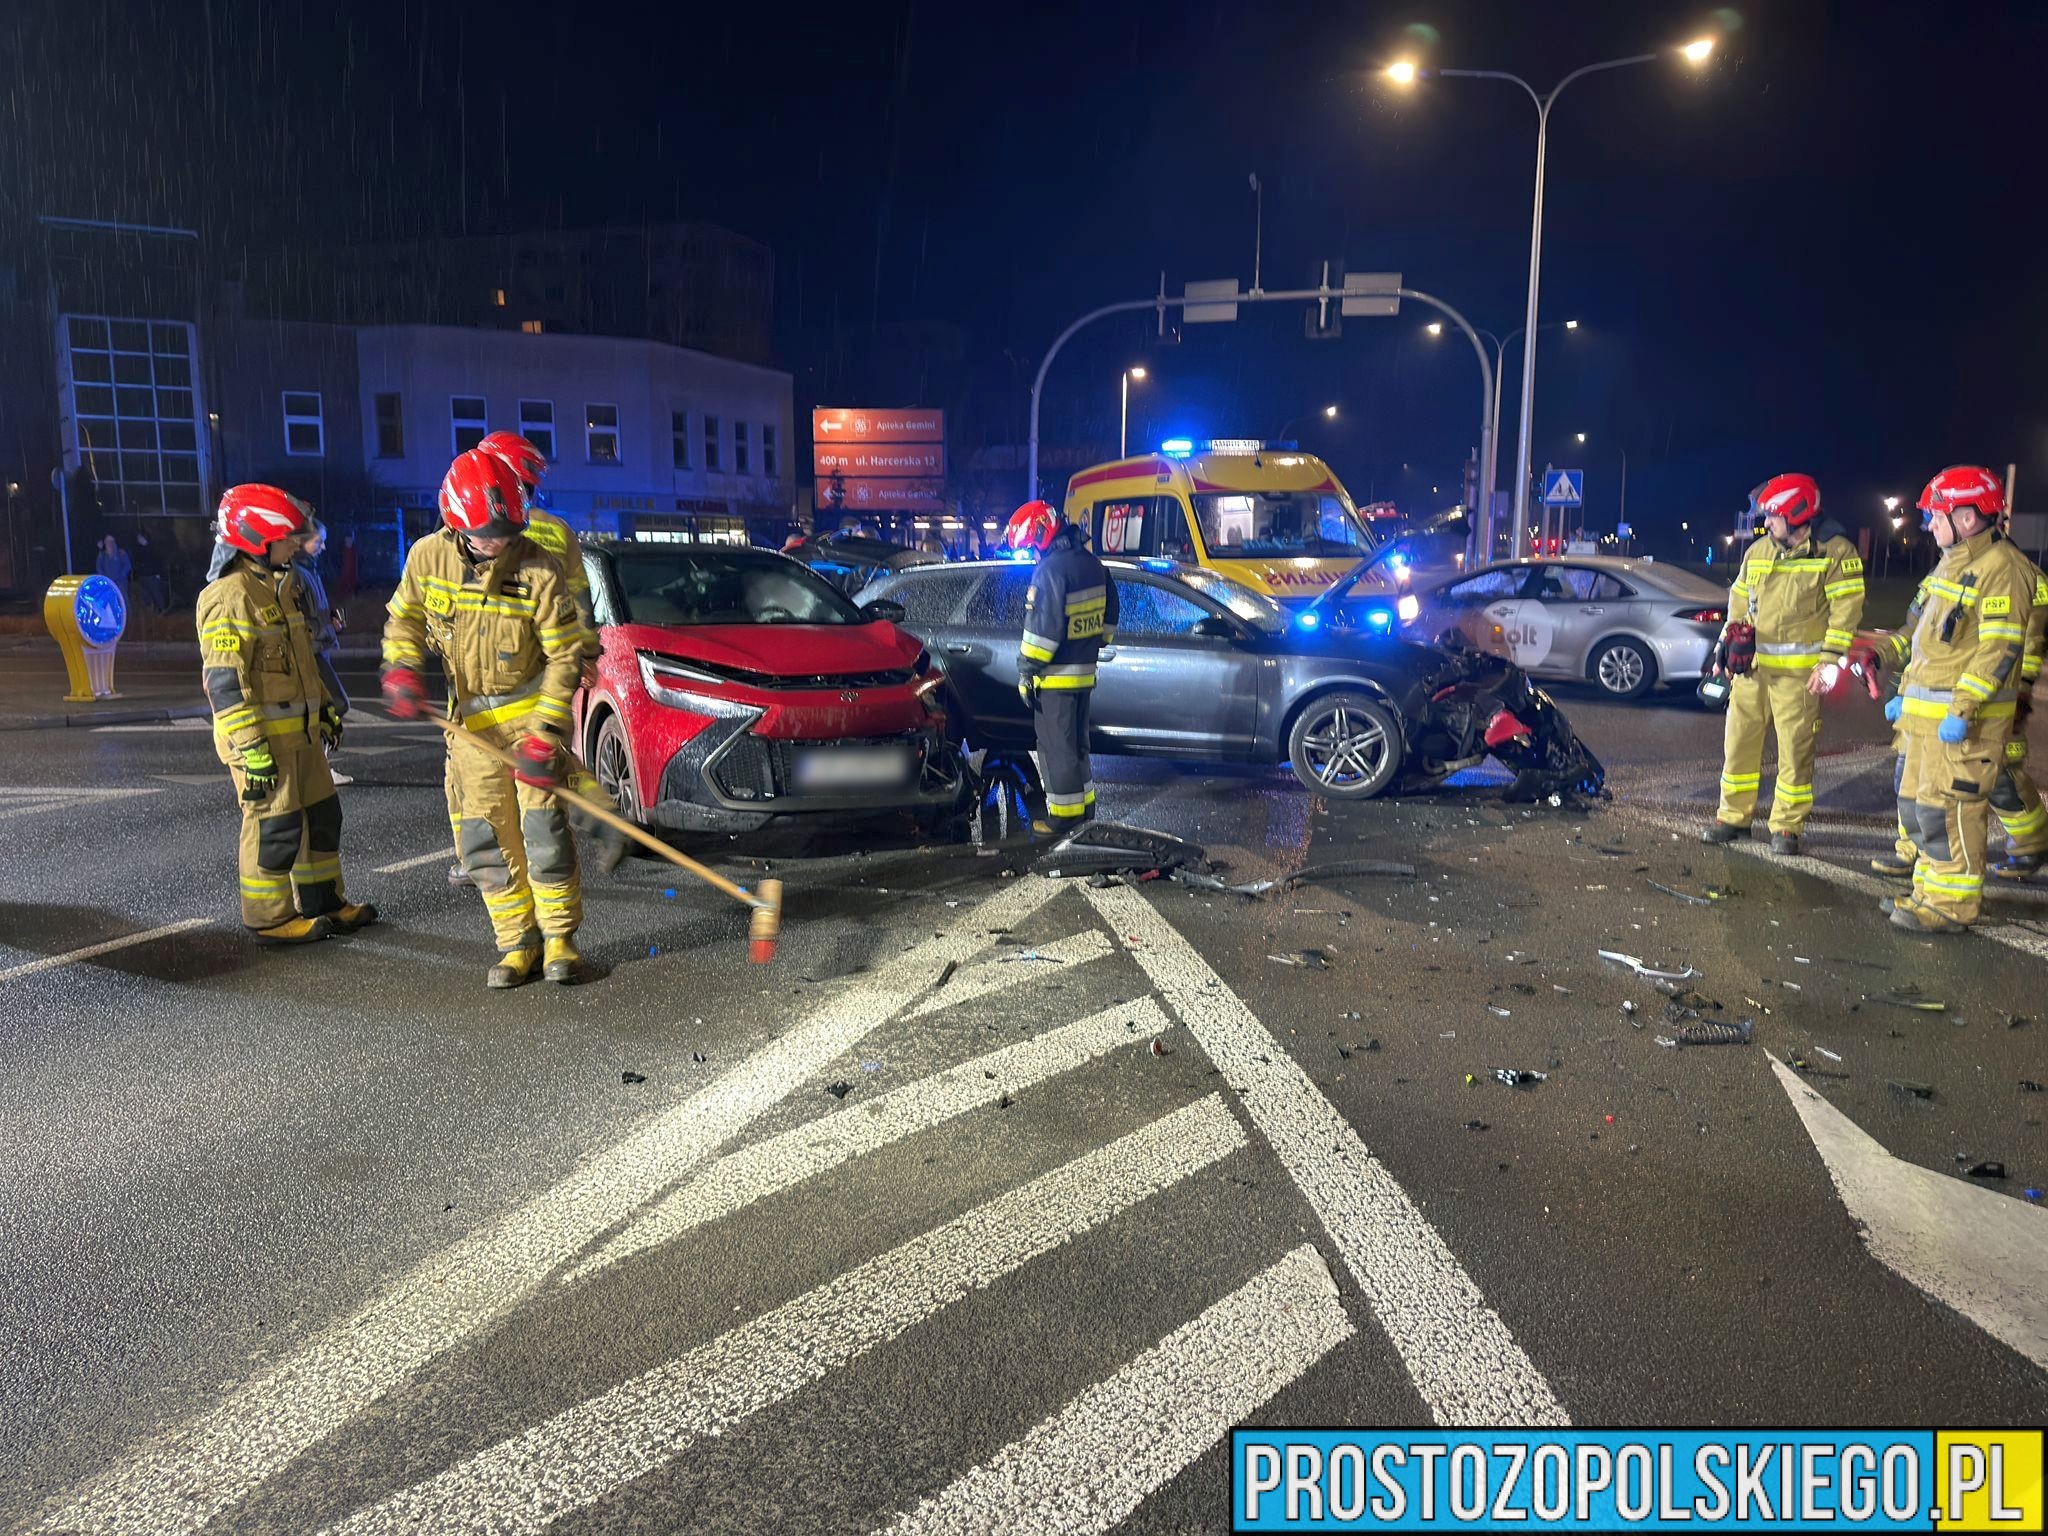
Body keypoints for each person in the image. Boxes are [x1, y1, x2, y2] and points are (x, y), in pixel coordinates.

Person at [381, 448, 589, 987]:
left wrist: (546, 735)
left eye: (507, 531)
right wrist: (401, 669)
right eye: (487, 534)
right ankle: (518, 941)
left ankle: (561, 938)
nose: (499, 543)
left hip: (530, 718)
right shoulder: (426, 559)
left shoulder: (539, 570)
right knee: (487, 839)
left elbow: (566, 656)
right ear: (456, 523)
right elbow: (403, 621)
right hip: (470, 729)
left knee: (544, 830)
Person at [196, 485, 375, 945]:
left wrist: (326, 711)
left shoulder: (284, 585)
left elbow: (303, 659)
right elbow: (225, 684)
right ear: (258, 539)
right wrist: (252, 750)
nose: (297, 544)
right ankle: (271, 919)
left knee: (321, 815)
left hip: (301, 735)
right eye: (288, 538)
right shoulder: (229, 597)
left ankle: (324, 902)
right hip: (262, 743)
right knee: (274, 826)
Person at [1866, 466, 2034, 934]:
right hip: (1925, 722)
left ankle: (1951, 906)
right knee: (1920, 810)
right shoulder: (1951, 563)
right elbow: (1928, 642)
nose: (1928, 525)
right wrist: (1903, 694)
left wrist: (1963, 709)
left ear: (1966, 517)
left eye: (1935, 515)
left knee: (1950, 813)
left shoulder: (2004, 569)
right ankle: (1927, 892)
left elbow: (1998, 651)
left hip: (1966, 725)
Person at [438, 431, 605, 888]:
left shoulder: (470, 530)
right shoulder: (559, 530)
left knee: (469, 770)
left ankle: (478, 858)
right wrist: (583, 653)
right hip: (545, 666)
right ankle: (586, 824)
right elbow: (578, 600)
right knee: (545, 758)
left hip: (489, 668)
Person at [1701, 474, 1864, 855]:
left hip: (1801, 677)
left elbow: (1846, 613)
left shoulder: (1836, 553)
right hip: (1751, 671)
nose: (1766, 523)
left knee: (1795, 753)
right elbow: (1738, 604)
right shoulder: (1758, 552)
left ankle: (1787, 828)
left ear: (1797, 512)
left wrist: (1829, 663)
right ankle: (1733, 818)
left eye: (1773, 516)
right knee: (1738, 745)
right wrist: (1725, 646)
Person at [1006, 499, 1117, 834]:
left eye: (1030, 546)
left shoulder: (1051, 571)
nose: (1033, 555)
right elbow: (1108, 622)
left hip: (1055, 679)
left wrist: (1026, 671)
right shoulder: (1092, 564)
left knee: (1057, 750)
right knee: (1078, 748)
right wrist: (1092, 645)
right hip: (1085, 674)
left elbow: (1041, 633)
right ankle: (1085, 813)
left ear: (1041, 532)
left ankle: (1063, 820)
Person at [1990, 549, 2048, 879]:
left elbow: (2030, 640)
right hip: (1978, 687)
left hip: (2004, 690)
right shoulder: (1980, 562)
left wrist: (2021, 690)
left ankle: (2032, 844)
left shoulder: (2020, 572)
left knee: (2003, 771)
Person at [295, 519, 353, 786]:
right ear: (301, 542)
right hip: (311, 652)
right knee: (335, 704)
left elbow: (312, 613)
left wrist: (330, 621)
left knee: (325, 708)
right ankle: (318, 769)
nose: (323, 546)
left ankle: (316, 768)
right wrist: (323, 627)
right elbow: (298, 618)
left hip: (318, 648)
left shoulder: (309, 570)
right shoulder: (297, 573)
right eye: (318, 541)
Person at [131, 531, 169, 613]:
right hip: (143, 576)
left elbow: (158, 562)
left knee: (156, 593)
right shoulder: (138, 550)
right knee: (146, 595)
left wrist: (159, 573)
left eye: (140, 538)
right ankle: (152, 609)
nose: (138, 540)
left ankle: (162, 609)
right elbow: (136, 563)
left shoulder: (153, 549)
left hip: (152, 575)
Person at [95, 534, 132, 608]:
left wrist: (120, 576)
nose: (109, 543)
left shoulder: (121, 553)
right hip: (109, 582)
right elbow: (99, 567)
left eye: (111, 541)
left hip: (121, 582)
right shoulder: (102, 555)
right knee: (111, 601)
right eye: (107, 541)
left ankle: (128, 618)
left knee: (123, 600)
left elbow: (127, 566)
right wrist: (105, 578)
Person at [337, 528, 360, 603]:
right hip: (345, 572)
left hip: (352, 572)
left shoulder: (354, 551)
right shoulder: (343, 551)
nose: (349, 541)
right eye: (348, 540)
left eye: (351, 540)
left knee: (352, 581)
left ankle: (352, 594)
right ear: (345, 540)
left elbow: (355, 565)